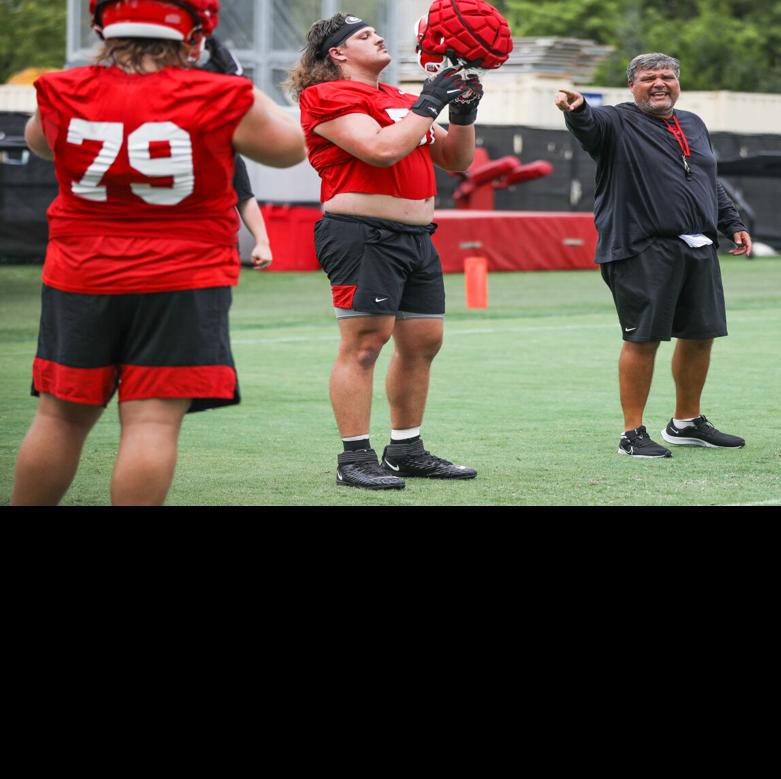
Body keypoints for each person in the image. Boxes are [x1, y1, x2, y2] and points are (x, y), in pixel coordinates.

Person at [10, 0, 305, 506]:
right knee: (150, 422)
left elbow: (40, 143)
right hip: (182, 278)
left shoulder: (62, 88)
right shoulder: (221, 94)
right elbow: (290, 147)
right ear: (194, 34)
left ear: (103, 26)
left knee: (59, 418)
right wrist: (234, 81)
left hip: (81, 275)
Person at [288, 13, 482, 489]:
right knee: (364, 345)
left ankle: (405, 450)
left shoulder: (398, 98)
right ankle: (354, 458)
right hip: (362, 234)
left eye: (375, 31)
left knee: (423, 343)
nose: (377, 37)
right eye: (363, 35)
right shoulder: (326, 94)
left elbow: (456, 160)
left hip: (417, 236)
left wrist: (463, 112)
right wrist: (431, 100)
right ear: (337, 53)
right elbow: (379, 150)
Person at [555, 54, 752, 460]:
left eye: (667, 76)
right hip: (640, 245)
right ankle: (632, 433)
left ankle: (686, 423)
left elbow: (707, 179)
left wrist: (731, 221)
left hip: (697, 244)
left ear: (678, 83)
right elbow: (590, 126)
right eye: (648, 78)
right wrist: (577, 111)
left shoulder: (693, 123)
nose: (659, 83)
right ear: (632, 86)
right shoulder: (616, 120)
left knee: (700, 335)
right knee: (643, 338)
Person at [199, 35, 273, 271]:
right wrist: (239, 84)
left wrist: (263, 241)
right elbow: (290, 148)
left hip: (212, 248)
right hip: (205, 247)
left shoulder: (219, 144)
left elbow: (244, 195)